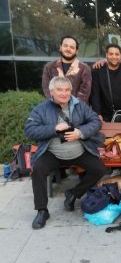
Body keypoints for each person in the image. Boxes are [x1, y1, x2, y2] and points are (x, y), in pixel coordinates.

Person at [25, 76, 106, 229]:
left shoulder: (80, 106)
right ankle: (42, 210)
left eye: (67, 90)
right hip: (53, 154)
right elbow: (29, 130)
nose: (64, 93)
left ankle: (74, 194)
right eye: (59, 90)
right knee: (38, 169)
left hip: (79, 151)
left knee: (100, 169)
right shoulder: (41, 109)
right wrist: (54, 129)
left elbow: (96, 121)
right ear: (51, 92)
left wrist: (80, 132)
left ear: (71, 91)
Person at [90, 44, 121, 126]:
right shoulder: (97, 71)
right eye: (111, 54)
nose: (114, 57)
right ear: (106, 55)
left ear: (120, 56)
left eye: (117, 54)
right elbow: (95, 94)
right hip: (103, 115)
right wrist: (97, 113)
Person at [42, 36, 92, 103]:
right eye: (65, 46)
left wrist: (71, 107)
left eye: (72, 47)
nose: (68, 49)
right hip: (54, 109)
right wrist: (57, 105)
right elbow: (47, 89)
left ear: (77, 51)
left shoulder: (84, 68)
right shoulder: (49, 67)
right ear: (60, 48)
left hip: (77, 110)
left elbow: (84, 93)